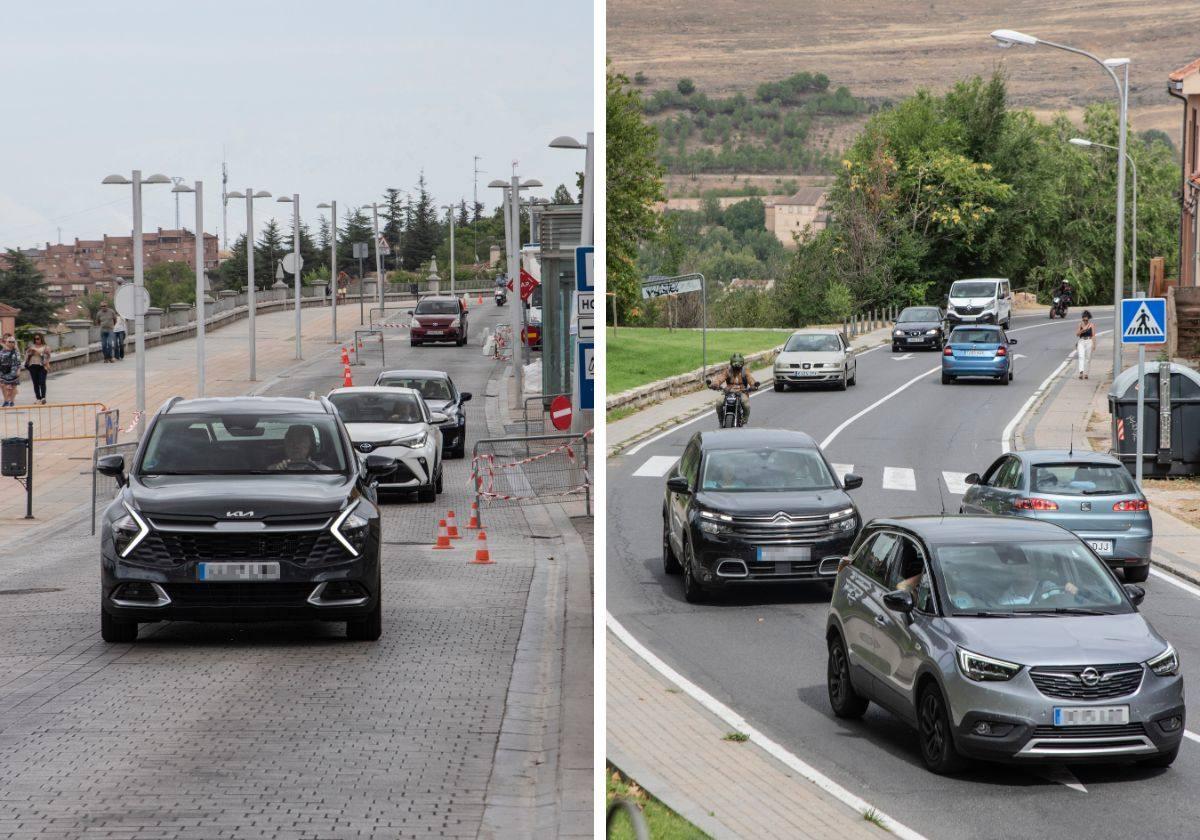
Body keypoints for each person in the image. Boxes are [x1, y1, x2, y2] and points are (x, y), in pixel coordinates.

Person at [707, 353, 758, 426]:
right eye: (735, 364)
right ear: (731, 363)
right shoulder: (728, 370)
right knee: (719, 402)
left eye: (739, 364)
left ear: (742, 363)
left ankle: (744, 420)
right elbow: (720, 378)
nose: (737, 366)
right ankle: (721, 420)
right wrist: (715, 384)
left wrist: (754, 385)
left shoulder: (745, 371)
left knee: (746, 404)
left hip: (742, 391)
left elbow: (750, 379)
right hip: (729, 392)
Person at [23, 332, 51, 404]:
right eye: (35, 339)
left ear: (41, 339)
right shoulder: (32, 346)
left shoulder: (46, 347)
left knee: (42, 382)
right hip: (33, 366)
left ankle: (43, 398)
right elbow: (26, 356)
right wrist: (30, 352)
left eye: (38, 339)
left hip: (42, 366)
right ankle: (38, 398)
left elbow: (48, 357)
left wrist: (40, 353)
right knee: (35, 383)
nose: (36, 340)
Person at [0, 335, 21, 407]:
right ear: (6, 342)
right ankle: (6, 400)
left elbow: (19, 362)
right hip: (4, 371)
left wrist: (18, 370)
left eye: (13, 342)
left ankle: (12, 401)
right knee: (2, 385)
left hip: (13, 371)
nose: (11, 343)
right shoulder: (2, 351)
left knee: (14, 386)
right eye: (9, 341)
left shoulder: (16, 352)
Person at [1075, 310, 1096, 380]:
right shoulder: (1080, 324)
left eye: (1086, 320)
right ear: (1082, 319)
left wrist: (1094, 344)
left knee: (1088, 358)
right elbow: (1077, 334)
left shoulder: (1091, 325)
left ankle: (1086, 373)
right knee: (1081, 357)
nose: (1085, 321)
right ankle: (1081, 373)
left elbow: (1093, 335)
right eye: (1084, 320)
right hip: (1081, 341)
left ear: (1088, 319)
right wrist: (1082, 330)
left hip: (1089, 341)